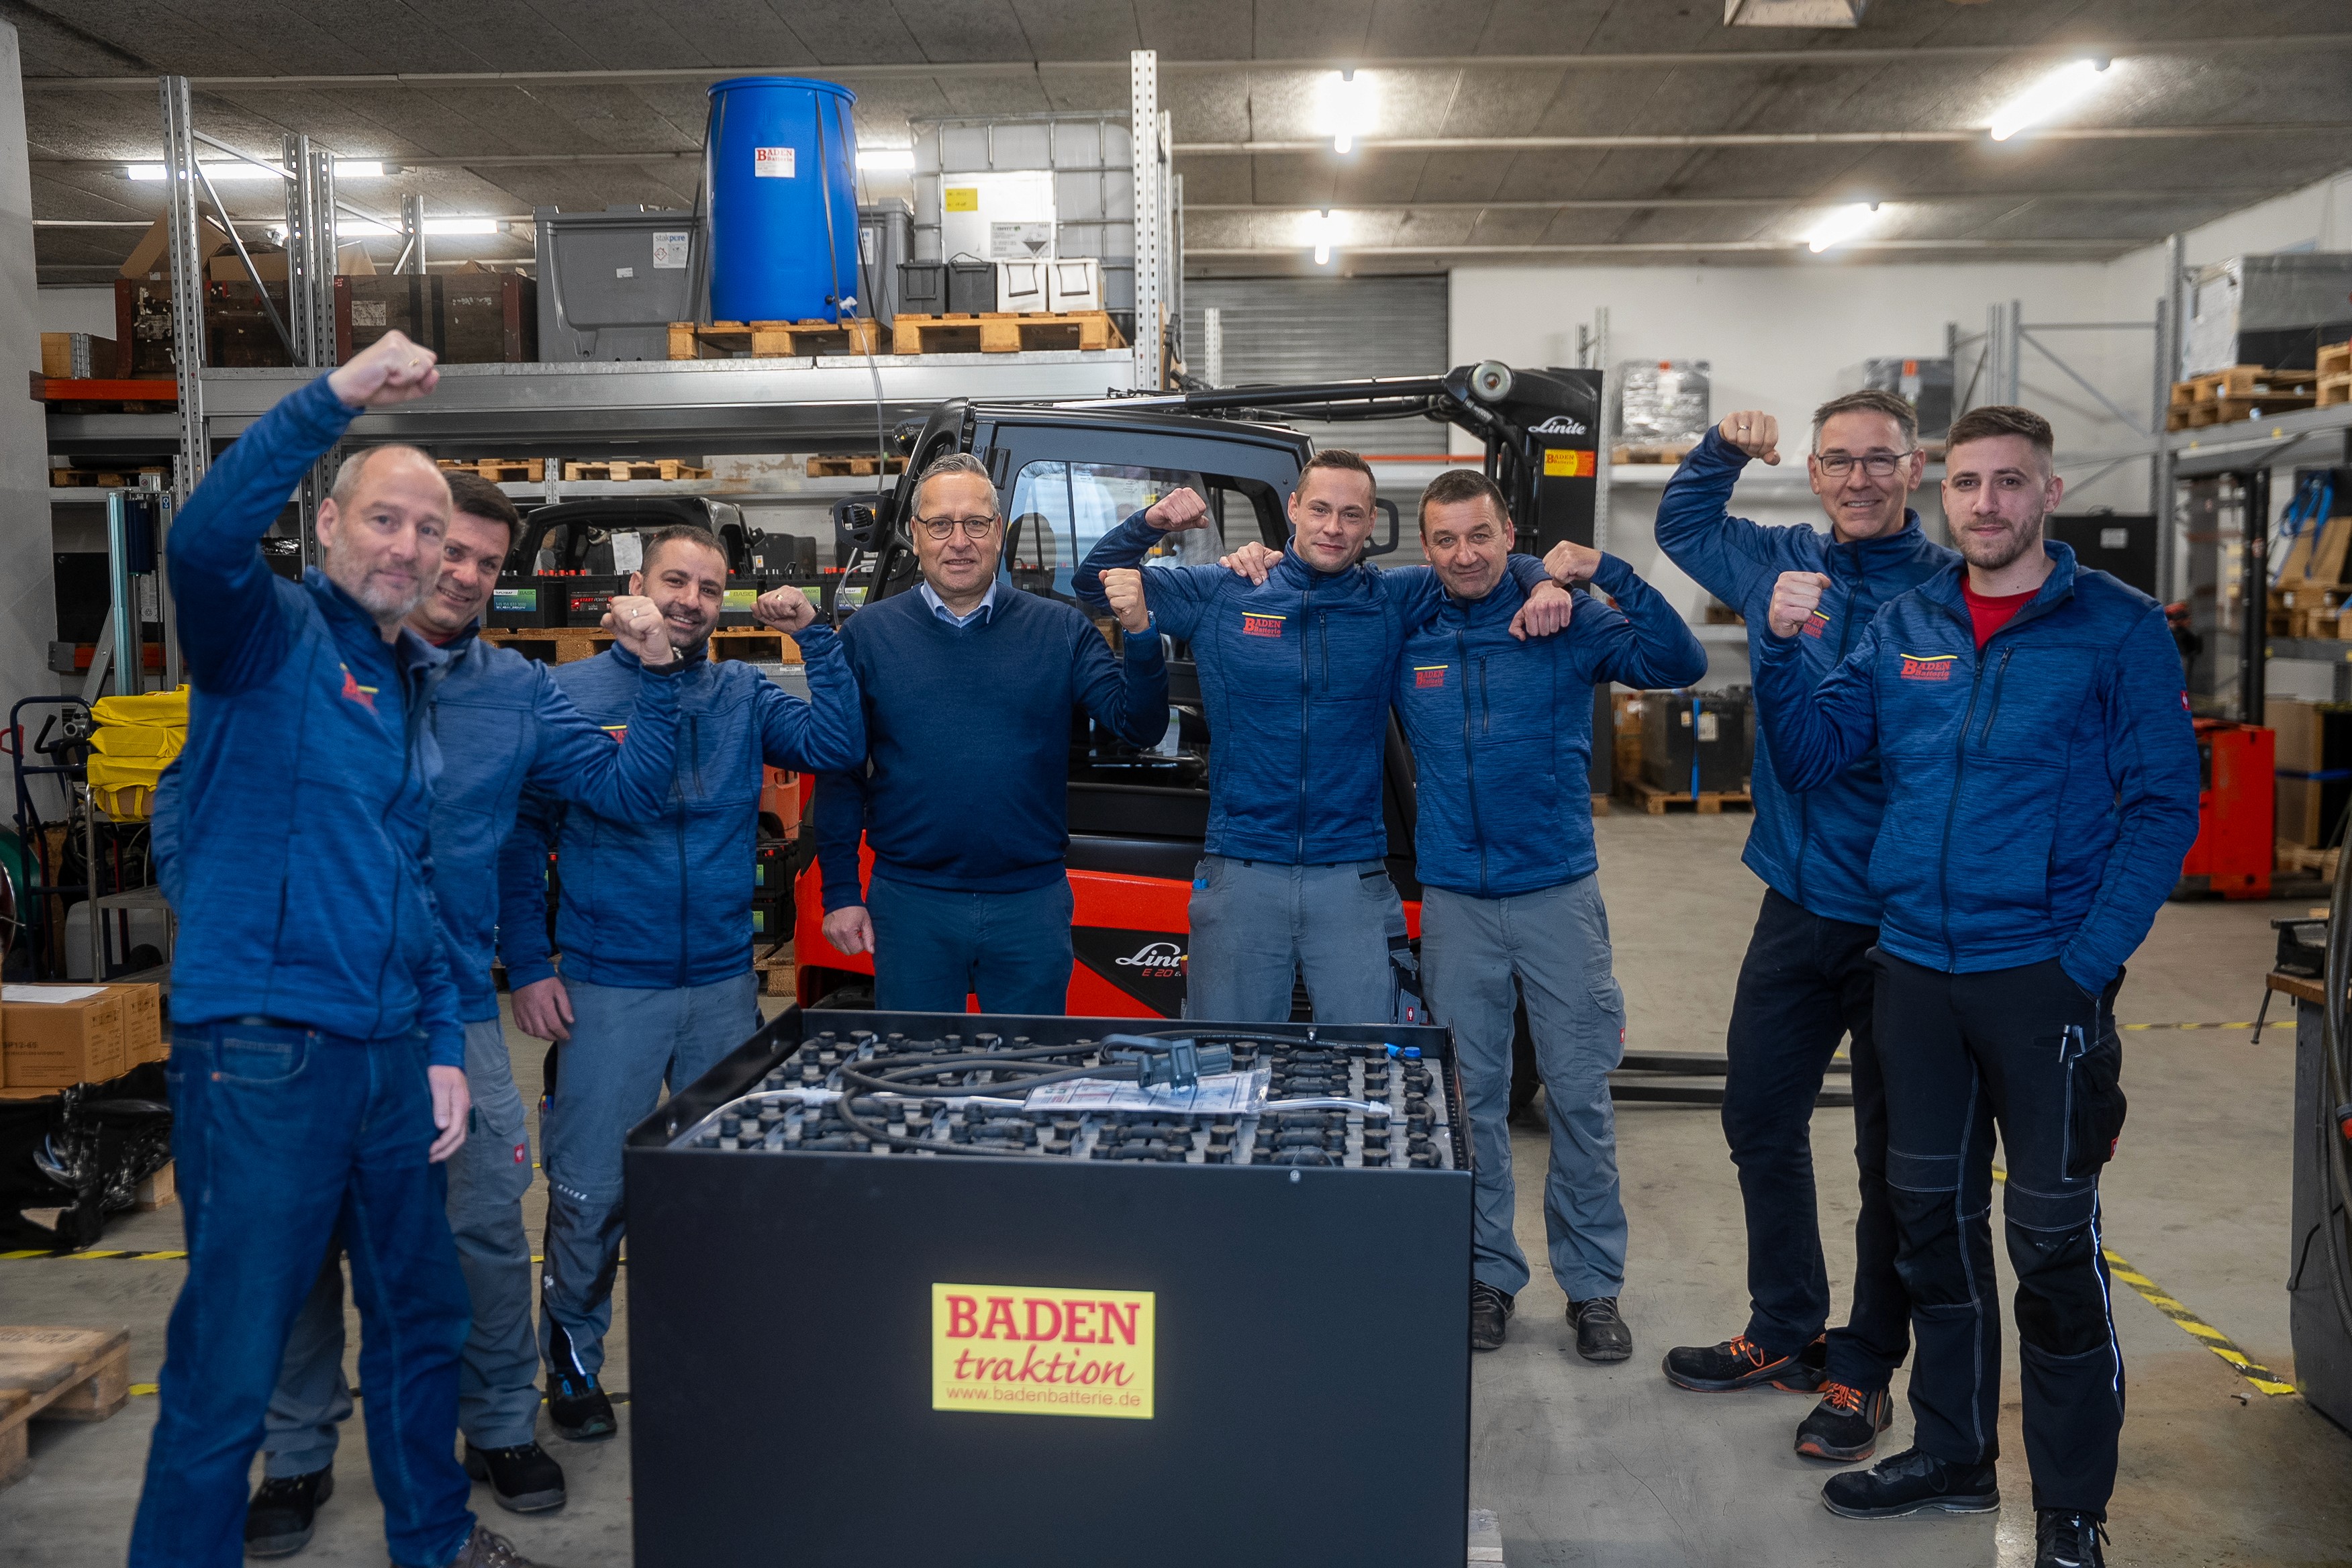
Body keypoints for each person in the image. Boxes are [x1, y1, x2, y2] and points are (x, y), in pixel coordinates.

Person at [130, 332, 555, 1568]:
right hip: (263, 1051)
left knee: (421, 1320)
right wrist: (337, 395)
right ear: (325, 525)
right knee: (230, 1359)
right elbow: (201, 539)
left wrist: (434, 1042)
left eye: (429, 531)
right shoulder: (259, 635)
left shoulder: (393, 675)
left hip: (385, 1060)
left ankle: (431, 1541)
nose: (411, 549)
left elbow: (405, 884)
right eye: (387, 521)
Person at [1751, 404, 2200, 1567]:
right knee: (1926, 1230)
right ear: (1936, 493)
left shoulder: (2113, 629)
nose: (1984, 503)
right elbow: (1809, 756)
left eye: (2009, 482)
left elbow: (2161, 808)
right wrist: (1782, 646)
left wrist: (2084, 962)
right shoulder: (1902, 619)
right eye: (1964, 483)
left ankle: (2067, 1509)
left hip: (2039, 982)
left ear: (2047, 493)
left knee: (2049, 1248)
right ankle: (1952, 1454)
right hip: (1909, 974)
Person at [244, 475, 688, 1553]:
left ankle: (493, 1425)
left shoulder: (518, 692)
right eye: (453, 551)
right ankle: (298, 1453)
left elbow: (623, 793)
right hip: (301, 1010)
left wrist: (656, 674)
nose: (468, 576)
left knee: (489, 1232)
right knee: (299, 1248)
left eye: (491, 563)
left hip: (451, 1015)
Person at [499, 522, 863, 1442]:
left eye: (708, 587)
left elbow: (838, 740)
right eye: (675, 580)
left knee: (724, 1191)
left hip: (721, 990)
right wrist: (532, 964)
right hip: (609, 986)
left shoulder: (742, 690)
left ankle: (722, 1364)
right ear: (635, 582)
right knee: (589, 1193)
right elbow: (520, 838)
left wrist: (812, 635)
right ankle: (573, 1371)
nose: (690, 601)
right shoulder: (569, 693)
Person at [1653, 391, 1957, 1463]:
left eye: (1880, 461)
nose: (1860, 479)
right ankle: (1785, 1328)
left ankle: (1864, 1368)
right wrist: (1719, 449)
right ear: (1817, 474)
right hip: (1794, 903)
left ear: (1912, 470)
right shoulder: (1782, 555)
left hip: (1901, 923)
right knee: (1758, 1120)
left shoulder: (1944, 590)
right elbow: (1682, 527)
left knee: (1888, 1159)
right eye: (1840, 462)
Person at [1071, 450, 1573, 1023]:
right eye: (1321, 510)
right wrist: (1150, 524)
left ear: (1372, 524)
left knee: (1372, 1065)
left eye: (1352, 515)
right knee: (1230, 1062)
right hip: (1242, 872)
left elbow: (1482, 567)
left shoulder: (1393, 598)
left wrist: (1540, 583)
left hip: (1351, 878)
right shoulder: (1226, 590)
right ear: (1293, 509)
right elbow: (1092, 581)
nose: (1334, 528)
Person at [1395, 470, 1707, 1362]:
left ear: (1508, 533)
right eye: (1446, 540)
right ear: (1427, 549)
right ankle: (1489, 1276)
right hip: (1455, 901)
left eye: (1481, 537)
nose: (1464, 555)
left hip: (1558, 897)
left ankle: (1594, 1287)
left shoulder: (1565, 624)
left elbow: (1679, 661)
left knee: (1577, 1096)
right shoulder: (1409, 628)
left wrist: (1591, 571)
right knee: (1473, 1103)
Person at [812, 452, 1170, 1012]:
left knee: (1029, 1075)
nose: (959, 540)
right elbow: (841, 771)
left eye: (975, 523)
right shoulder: (867, 637)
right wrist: (839, 891)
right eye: (941, 525)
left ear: (998, 533)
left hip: (1029, 904)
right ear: (916, 534)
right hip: (912, 904)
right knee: (917, 1074)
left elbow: (1139, 725)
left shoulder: (1061, 630)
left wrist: (1142, 635)